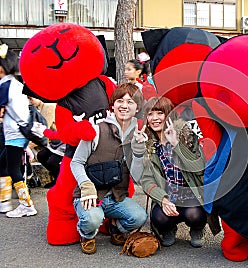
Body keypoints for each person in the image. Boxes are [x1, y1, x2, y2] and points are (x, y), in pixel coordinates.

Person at [70, 83, 147, 254]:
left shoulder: (137, 136)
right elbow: (76, 162)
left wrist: (140, 152)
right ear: (113, 105)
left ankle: (115, 227)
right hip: (91, 195)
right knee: (92, 218)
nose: (124, 105)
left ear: (137, 108)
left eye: (130, 102)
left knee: (140, 217)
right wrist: (85, 185)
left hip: (116, 198)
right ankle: (87, 234)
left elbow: (137, 176)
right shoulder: (97, 131)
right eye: (120, 100)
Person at [139, 96, 207, 248]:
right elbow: (146, 180)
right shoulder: (148, 145)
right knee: (159, 218)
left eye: (159, 113)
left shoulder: (187, 137)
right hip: (168, 198)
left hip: (191, 197)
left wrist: (176, 144)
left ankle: (197, 229)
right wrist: (162, 199)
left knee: (195, 216)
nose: (154, 118)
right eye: (150, 114)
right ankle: (169, 228)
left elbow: (199, 168)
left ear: (169, 115)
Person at [0, 44, 37, 217]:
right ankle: (5, 202)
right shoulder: (16, 84)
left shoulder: (5, 86)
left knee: (13, 169)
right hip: (19, 133)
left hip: (14, 134)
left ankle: (26, 205)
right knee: (4, 165)